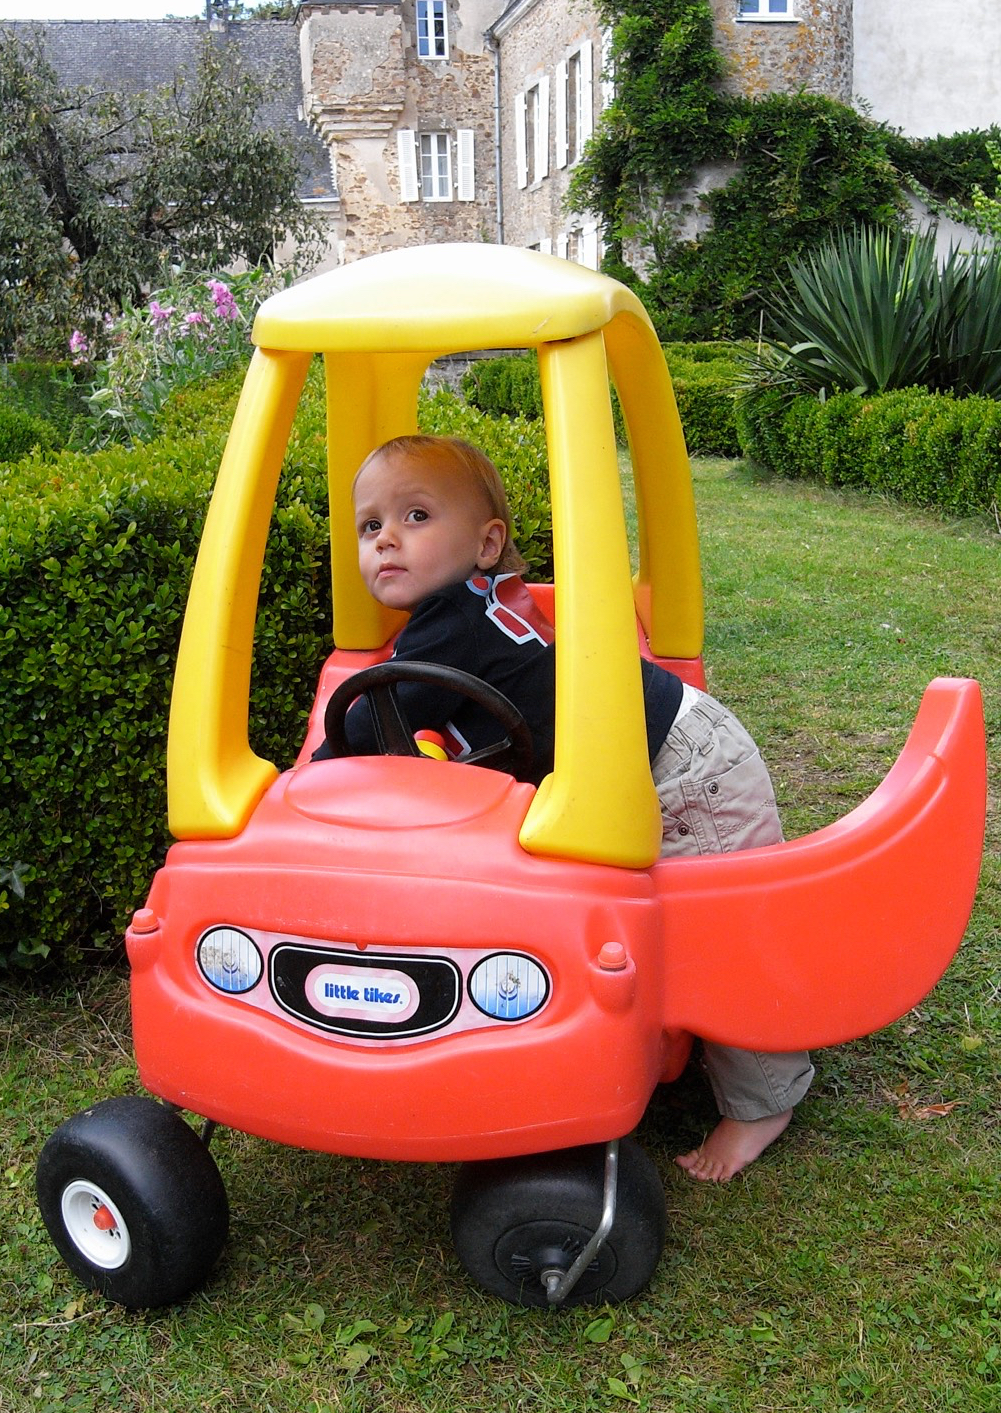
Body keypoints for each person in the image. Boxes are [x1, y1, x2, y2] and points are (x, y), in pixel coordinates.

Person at [312, 434, 812, 1182]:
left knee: (717, 934)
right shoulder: (456, 614)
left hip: (684, 770)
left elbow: (367, 723)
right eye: (369, 525)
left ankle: (765, 1100)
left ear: (486, 545)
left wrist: (309, 781)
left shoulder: (450, 625)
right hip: (659, 757)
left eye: (416, 516)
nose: (386, 538)